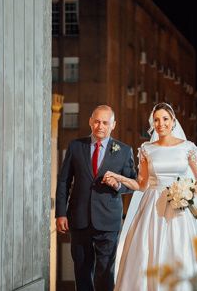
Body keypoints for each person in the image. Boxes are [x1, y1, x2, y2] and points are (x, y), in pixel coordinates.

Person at [103, 102, 197, 291]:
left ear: (173, 121)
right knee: (147, 252)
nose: (161, 124)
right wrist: (120, 178)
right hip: (152, 207)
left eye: (165, 119)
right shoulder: (146, 149)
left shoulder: (188, 147)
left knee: (178, 250)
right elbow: (141, 185)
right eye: (156, 120)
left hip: (180, 210)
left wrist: (188, 191)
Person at [55, 105, 137, 291]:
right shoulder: (76, 146)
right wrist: (61, 213)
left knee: (105, 272)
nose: (100, 126)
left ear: (113, 125)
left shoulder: (124, 151)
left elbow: (134, 183)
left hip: (108, 221)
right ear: (90, 122)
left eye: (105, 122)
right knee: (82, 271)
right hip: (79, 219)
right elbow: (64, 181)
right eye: (97, 121)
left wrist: (118, 185)